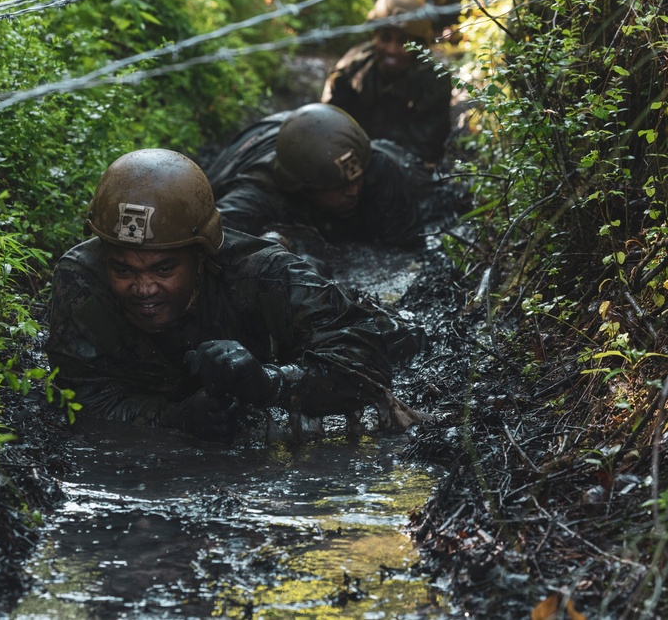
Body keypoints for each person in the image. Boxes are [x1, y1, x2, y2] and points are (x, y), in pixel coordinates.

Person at [44, 148, 425, 442]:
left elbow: (364, 360)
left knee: (403, 336)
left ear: (200, 254)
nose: (143, 289)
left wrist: (269, 382)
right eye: (123, 269)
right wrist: (175, 418)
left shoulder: (262, 270)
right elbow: (82, 396)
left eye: (164, 269)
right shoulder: (81, 281)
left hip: (293, 350)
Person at [206, 103, 427, 248]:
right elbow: (207, 237)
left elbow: (410, 244)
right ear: (302, 187)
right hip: (258, 143)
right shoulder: (261, 194)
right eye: (338, 186)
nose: (353, 191)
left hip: (314, 132)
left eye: (357, 179)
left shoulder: (375, 166)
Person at [321, 0, 453, 166]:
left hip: (403, 167)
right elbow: (327, 124)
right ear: (374, 37)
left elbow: (426, 149)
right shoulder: (351, 68)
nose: (392, 50)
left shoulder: (433, 82)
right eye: (385, 38)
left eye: (403, 42)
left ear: (419, 45)